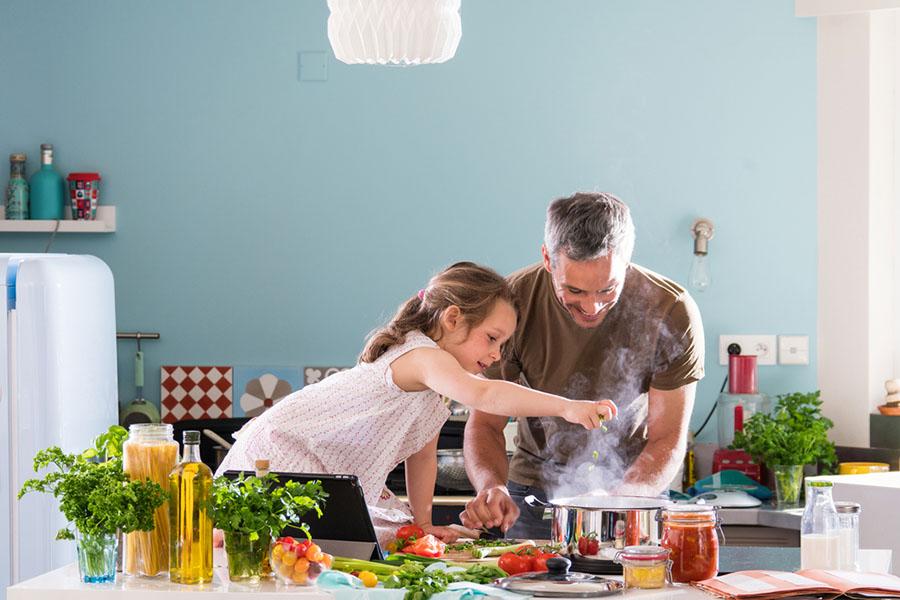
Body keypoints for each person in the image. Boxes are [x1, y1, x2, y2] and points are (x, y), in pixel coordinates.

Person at [215, 261, 616, 547]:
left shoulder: (433, 388)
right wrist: (568, 407)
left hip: (319, 470)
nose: (497, 355)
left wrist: (423, 522)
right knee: (287, 551)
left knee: (372, 541)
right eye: (492, 338)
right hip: (282, 453)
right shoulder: (422, 356)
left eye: (503, 344)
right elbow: (486, 395)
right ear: (453, 318)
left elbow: (421, 456)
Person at [460, 193, 705, 539]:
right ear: (548, 258)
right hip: (532, 493)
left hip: (633, 490)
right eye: (574, 290)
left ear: (627, 261)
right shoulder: (513, 302)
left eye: (608, 290)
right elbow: (485, 422)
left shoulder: (671, 309)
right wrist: (490, 486)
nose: (592, 307)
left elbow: (667, 438)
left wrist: (622, 501)